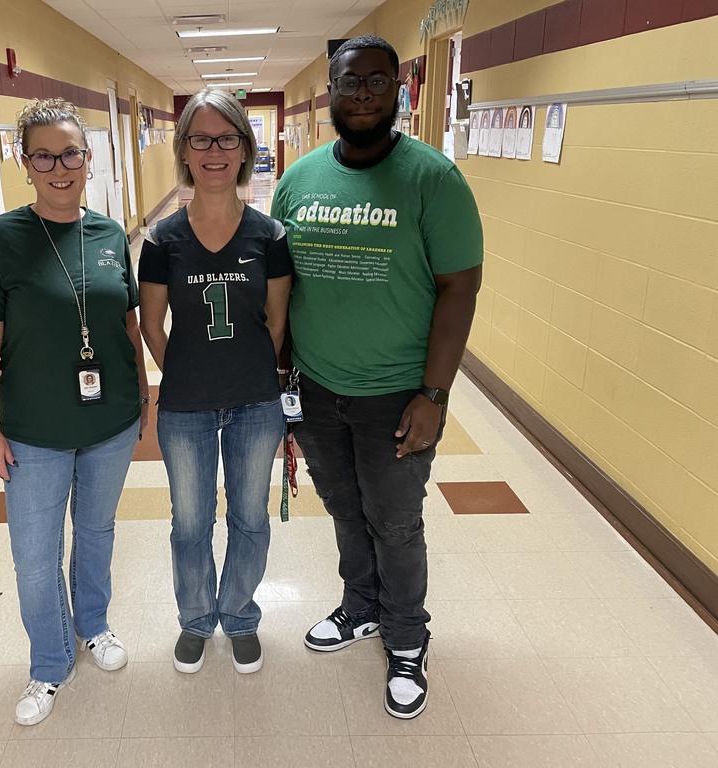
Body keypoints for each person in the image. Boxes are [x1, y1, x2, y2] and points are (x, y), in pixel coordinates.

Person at [270, 35, 483, 719]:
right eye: (348, 81)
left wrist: (434, 393)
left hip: (398, 391)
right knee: (343, 508)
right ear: (329, 88)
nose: (361, 94)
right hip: (318, 386)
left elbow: (460, 287)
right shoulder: (298, 181)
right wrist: (282, 379)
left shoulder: (433, 179)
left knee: (394, 521)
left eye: (376, 82)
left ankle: (407, 639)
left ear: (399, 90)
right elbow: (281, 287)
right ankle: (360, 606)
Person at [0, 98, 149, 726]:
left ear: (89, 159)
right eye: (45, 155)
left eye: (71, 153)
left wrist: (141, 392)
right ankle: (49, 661)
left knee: (96, 532)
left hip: (109, 421)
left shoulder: (111, 232)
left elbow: (126, 318)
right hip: (33, 430)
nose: (60, 166)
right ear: (26, 162)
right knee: (35, 554)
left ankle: (93, 624)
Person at [139, 89, 292, 676]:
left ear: (244, 149)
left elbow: (277, 321)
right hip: (185, 407)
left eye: (227, 138)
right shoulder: (161, 240)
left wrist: (247, 368)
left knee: (249, 517)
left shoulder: (269, 236)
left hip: (256, 404)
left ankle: (241, 615)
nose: (214, 151)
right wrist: (182, 368)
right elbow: (152, 323)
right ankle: (197, 620)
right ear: (183, 150)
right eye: (200, 139)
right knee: (190, 522)